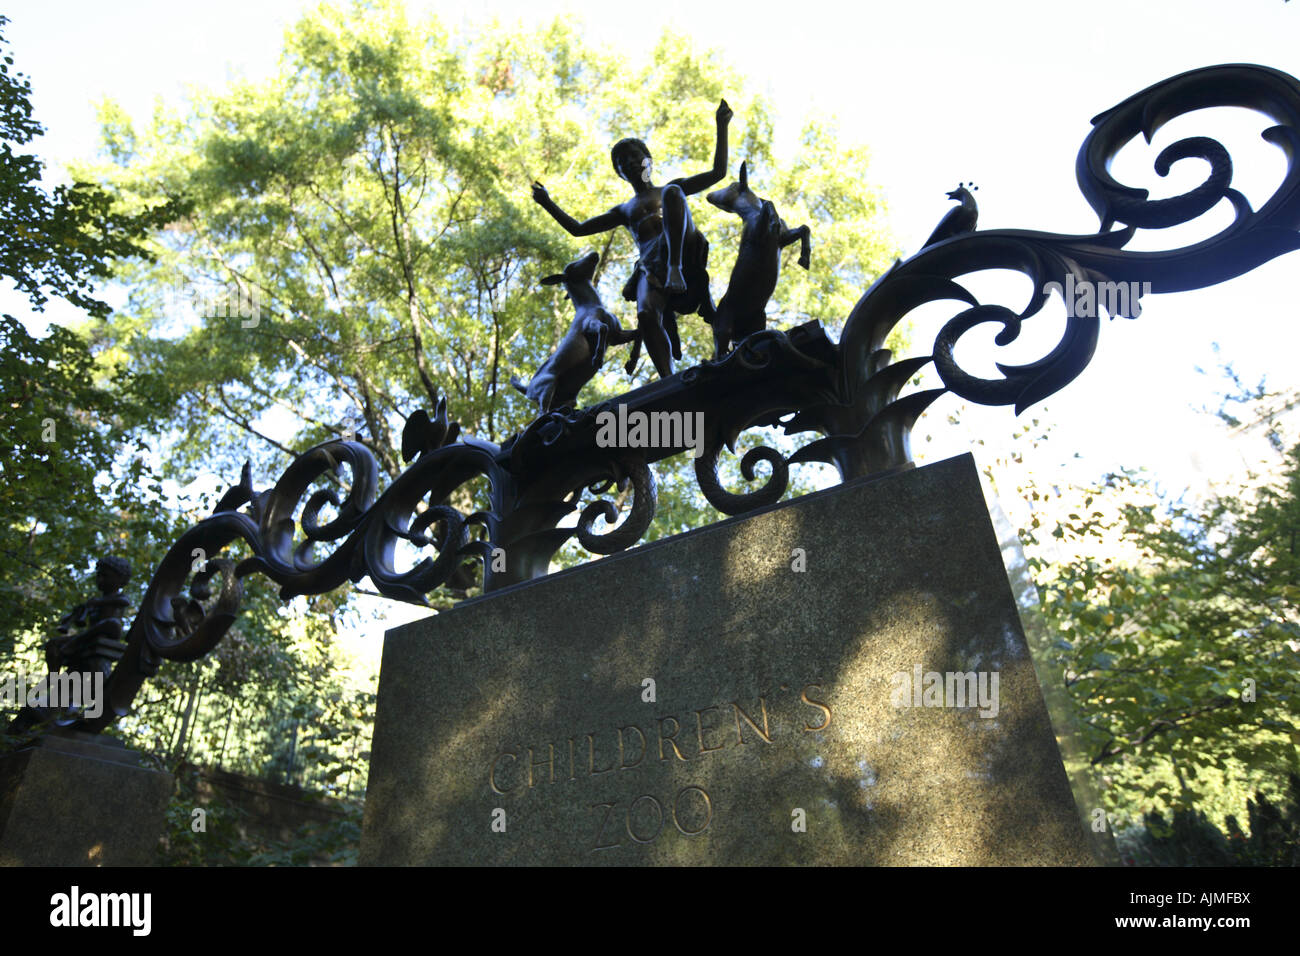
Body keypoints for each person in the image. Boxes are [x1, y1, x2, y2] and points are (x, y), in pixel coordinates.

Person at [531, 99, 732, 378]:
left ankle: (675, 268)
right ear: (621, 174)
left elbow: (718, 172)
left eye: (634, 156)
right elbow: (578, 229)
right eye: (622, 162)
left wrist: (722, 126)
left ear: (647, 160)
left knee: (674, 192)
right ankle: (667, 379)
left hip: (682, 249)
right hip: (651, 265)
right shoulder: (625, 210)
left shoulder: (669, 190)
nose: (629, 162)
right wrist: (546, 203)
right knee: (647, 315)